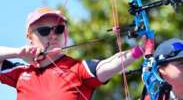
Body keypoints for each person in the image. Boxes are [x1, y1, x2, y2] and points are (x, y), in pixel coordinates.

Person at [0, 7, 144, 100]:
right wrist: (18, 53)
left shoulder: (77, 68)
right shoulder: (20, 72)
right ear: (29, 37)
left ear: (66, 34)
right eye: (44, 31)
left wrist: (140, 50)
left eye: (59, 29)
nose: (53, 35)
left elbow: (107, 65)